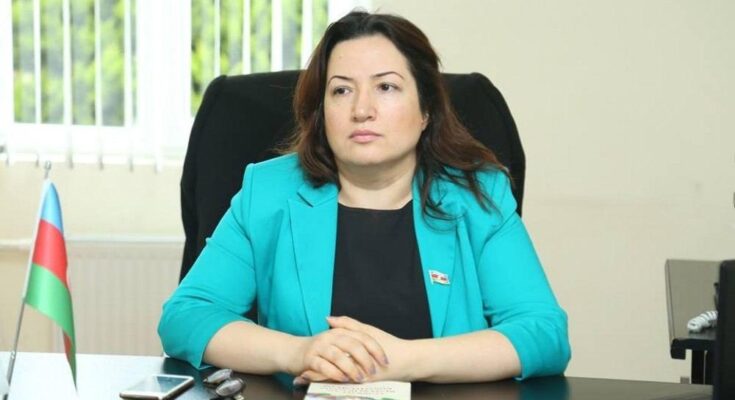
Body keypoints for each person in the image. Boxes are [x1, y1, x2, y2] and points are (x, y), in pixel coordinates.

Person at [158, 10, 570, 385]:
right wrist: (298, 352)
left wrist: (404, 359)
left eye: (386, 87)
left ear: (426, 110)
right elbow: (186, 316)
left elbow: (544, 334)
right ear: (321, 112)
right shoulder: (269, 192)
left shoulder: (477, 195)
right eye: (341, 91)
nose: (362, 110)